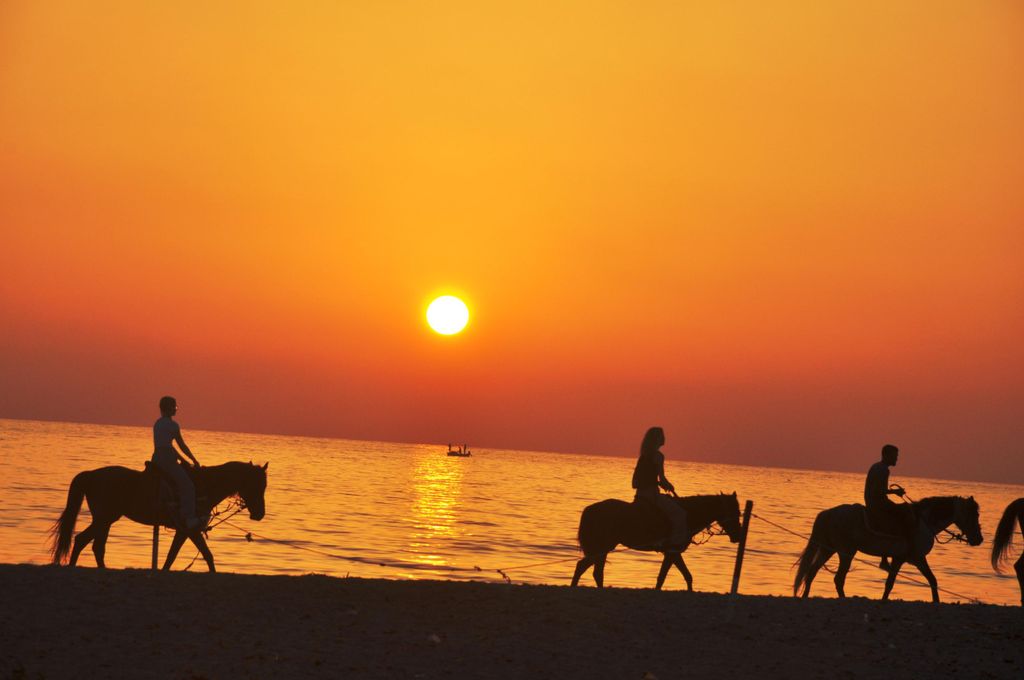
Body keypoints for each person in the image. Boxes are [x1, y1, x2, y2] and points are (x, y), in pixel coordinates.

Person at [631, 426, 688, 549]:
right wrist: (668, 485)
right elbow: (661, 478)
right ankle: (674, 543)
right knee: (680, 514)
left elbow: (646, 478)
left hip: (640, 494)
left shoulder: (644, 455)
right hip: (652, 495)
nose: (664, 437)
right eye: (662, 435)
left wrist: (661, 484)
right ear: (658, 439)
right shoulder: (658, 456)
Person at [151, 396, 203, 530]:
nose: (176, 409)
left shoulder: (157, 423)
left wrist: (183, 461)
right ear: (169, 408)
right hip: (167, 460)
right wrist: (194, 460)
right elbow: (181, 445)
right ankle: (189, 517)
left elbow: (168, 446)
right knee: (188, 486)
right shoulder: (173, 425)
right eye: (174, 407)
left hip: (157, 458)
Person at [864, 444, 917, 570]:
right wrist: (895, 492)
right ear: (887, 455)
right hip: (878, 503)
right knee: (904, 513)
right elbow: (879, 491)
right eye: (895, 456)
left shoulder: (876, 466)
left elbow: (878, 490)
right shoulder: (883, 470)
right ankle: (892, 555)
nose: (896, 459)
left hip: (873, 501)